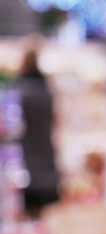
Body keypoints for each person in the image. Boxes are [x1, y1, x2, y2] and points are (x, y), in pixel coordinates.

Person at [14, 44, 60, 217]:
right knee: (46, 216)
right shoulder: (47, 91)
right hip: (46, 158)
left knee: (27, 215)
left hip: (25, 159)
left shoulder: (19, 91)